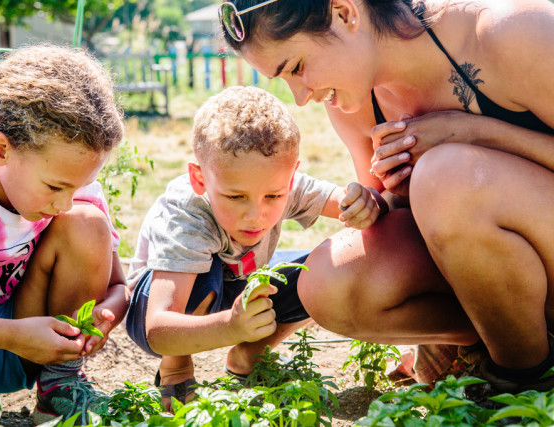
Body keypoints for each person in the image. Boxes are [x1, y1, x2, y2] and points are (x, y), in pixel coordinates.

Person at [220, 0, 554, 392]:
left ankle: (519, 378)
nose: (300, 96)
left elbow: (450, 189)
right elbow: (404, 215)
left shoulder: (511, 32)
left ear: (345, 13)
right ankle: (494, 339)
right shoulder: (352, 101)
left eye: (296, 67)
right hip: (518, 281)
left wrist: (472, 134)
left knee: (443, 178)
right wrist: (380, 200)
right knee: (329, 282)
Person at [125, 85, 386, 408]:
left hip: (236, 289)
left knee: (325, 268)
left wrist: (365, 203)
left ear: (290, 178)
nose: (255, 215)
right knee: (205, 273)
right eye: (235, 197)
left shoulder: (282, 184)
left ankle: (250, 355)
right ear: (200, 179)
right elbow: (157, 328)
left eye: (273, 196)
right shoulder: (188, 217)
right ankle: (176, 368)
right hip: (155, 311)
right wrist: (230, 327)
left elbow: (346, 202)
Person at [0, 44, 129, 423]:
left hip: (40, 346)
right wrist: (11, 334)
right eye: (54, 187)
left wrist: (106, 316)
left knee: (87, 221)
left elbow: (119, 287)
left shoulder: (74, 191)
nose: (64, 202)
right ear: (0, 149)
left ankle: (59, 389)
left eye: (77, 187)